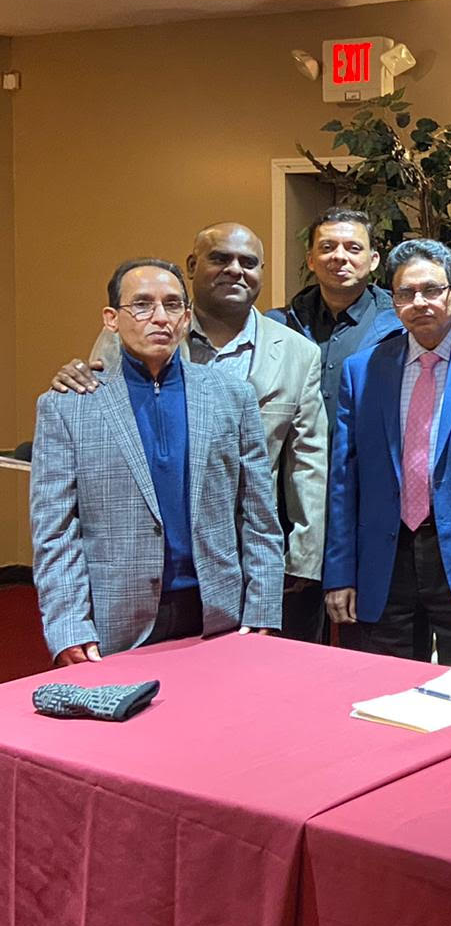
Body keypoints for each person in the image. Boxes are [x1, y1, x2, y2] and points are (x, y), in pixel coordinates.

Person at [48, 223, 329, 641]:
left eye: (248, 262)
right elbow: (98, 403)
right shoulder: (143, 329)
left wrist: (302, 557)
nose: (235, 270)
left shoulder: (296, 354)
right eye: (220, 258)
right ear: (193, 265)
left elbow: (308, 463)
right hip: (134, 572)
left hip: (240, 563)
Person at [31, 258, 282, 660]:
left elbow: (259, 515)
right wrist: (68, 626)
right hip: (115, 618)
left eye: (172, 305)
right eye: (142, 305)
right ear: (112, 319)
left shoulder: (231, 395)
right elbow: (55, 531)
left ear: (186, 317)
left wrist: (263, 605)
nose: (160, 317)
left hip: (217, 613)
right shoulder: (68, 405)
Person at [323, 240, 451, 669]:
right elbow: (344, 480)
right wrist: (340, 572)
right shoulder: (363, 370)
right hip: (386, 557)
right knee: (386, 683)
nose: (419, 302)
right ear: (394, 300)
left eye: (431, 290)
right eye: (406, 293)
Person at [267, 206, 402, 420]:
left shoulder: (401, 325)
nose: (339, 256)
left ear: (374, 260)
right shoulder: (278, 327)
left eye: (354, 248)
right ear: (311, 260)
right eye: (327, 247)